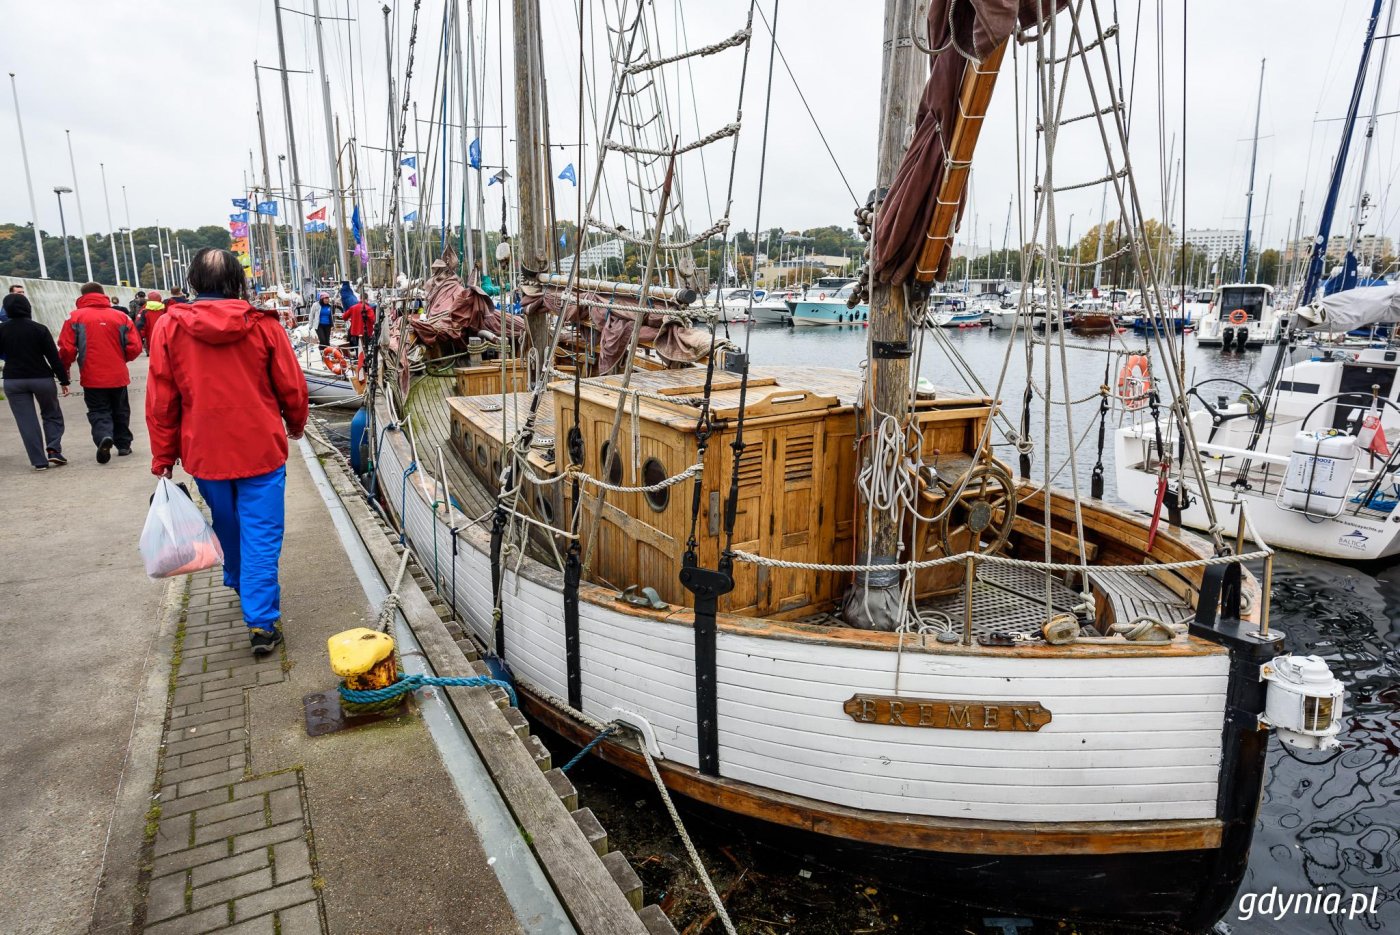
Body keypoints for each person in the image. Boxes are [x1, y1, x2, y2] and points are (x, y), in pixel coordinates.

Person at [146, 248, 309, 656]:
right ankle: (261, 621)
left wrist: (163, 457)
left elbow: (161, 399)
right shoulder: (263, 326)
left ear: (194, 282)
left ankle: (239, 581)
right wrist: (296, 422)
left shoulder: (169, 327)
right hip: (260, 448)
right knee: (263, 533)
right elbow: (290, 383)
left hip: (205, 450)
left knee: (227, 523)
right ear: (238, 280)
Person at [57, 283, 143, 462]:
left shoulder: (75, 317)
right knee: (121, 410)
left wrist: (65, 367)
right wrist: (121, 359)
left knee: (98, 410)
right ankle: (124, 444)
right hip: (118, 374)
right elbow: (135, 346)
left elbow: (66, 348)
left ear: (82, 296)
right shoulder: (121, 317)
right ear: (103, 294)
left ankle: (104, 435)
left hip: (92, 375)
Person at [0, 292, 69, 470]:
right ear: (27, 307)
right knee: (51, 413)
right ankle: (54, 450)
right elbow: (53, 357)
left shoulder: (2, 330)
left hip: (13, 380)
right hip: (41, 377)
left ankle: (39, 461)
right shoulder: (39, 329)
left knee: (26, 421)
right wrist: (63, 380)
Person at [340, 287, 376, 355]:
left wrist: (352, 319)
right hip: (366, 332)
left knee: (357, 347)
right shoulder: (368, 309)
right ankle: (364, 361)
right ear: (367, 299)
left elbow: (344, 317)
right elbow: (373, 320)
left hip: (355, 332)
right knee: (365, 348)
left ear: (360, 298)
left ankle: (358, 359)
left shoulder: (353, 307)